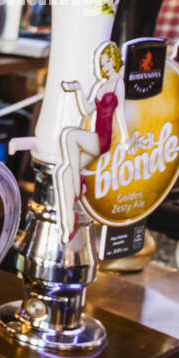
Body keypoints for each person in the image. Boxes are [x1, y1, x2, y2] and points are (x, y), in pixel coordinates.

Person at [56, 42, 135, 243]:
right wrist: (78, 90)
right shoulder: (101, 85)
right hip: (93, 137)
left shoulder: (119, 84)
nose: (105, 66)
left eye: (108, 61)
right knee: (63, 173)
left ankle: (77, 184)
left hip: (102, 139)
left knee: (69, 136)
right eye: (102, 63)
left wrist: (126, 139)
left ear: (115, 60)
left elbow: (120, 114)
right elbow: (87, 109)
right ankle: (67, 226)